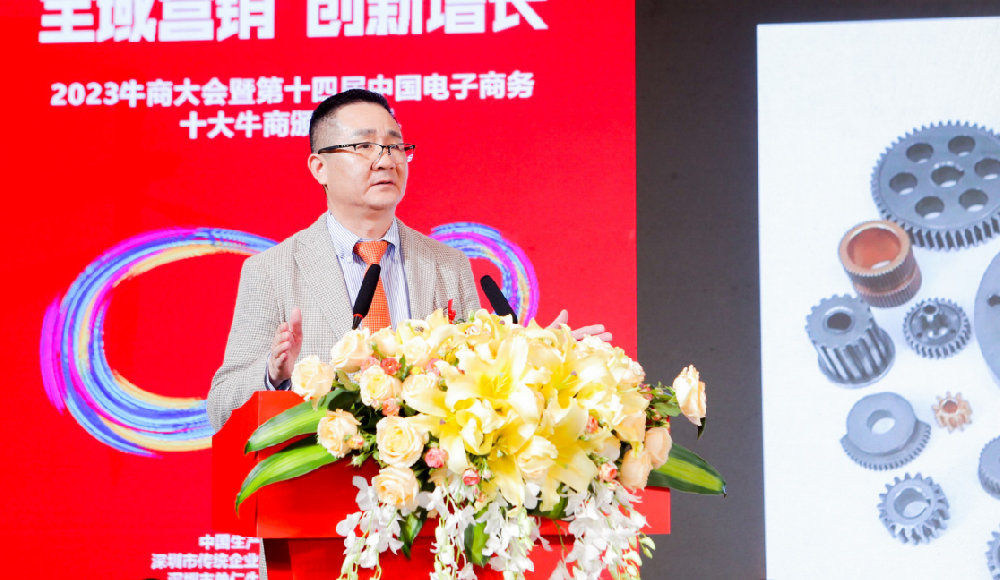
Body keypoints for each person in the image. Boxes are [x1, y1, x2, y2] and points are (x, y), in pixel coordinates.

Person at [206, 89, 610, 578]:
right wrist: (274, 376)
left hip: (439, 529)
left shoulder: (447, 266)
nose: (385, 159)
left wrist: (547, 360)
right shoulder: (271, 271)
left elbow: (481, 385)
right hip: (320, 531)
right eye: (364, 146)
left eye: (395, 145)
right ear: (319, 167)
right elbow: (221, 404)